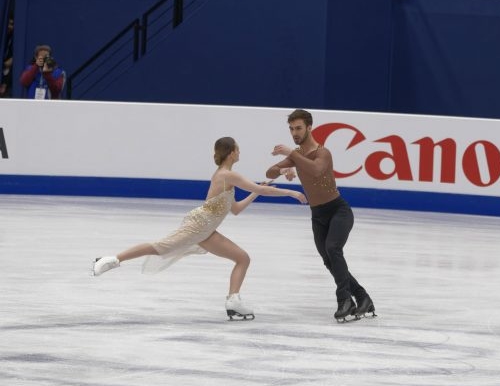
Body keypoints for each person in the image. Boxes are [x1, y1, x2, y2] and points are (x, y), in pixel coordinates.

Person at [93, 137, 307, 320]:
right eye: (238, 149)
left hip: (207, 230)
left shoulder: (227, 177)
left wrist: (256, 192)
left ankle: (233, 301)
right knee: (161, 247)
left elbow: (237, 209)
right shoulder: (227, 175)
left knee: (243, 258)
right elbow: (260, 188)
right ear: (232, 153)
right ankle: (111, 260)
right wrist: (291, 193)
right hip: (198, 225)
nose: (240, 152)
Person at [266, 109, 375, 322]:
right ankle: (362, 297)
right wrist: (282, 170)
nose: (294, 133)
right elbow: (269, 172)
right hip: (317, 214)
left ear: (309, 127)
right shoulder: (295, 156)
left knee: (333, 249)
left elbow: (316, 170)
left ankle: (344, 300)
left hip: (338, 210)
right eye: (291, 129)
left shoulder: (322, 152)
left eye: (298, 128)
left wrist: (292, 156)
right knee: (328, 260)